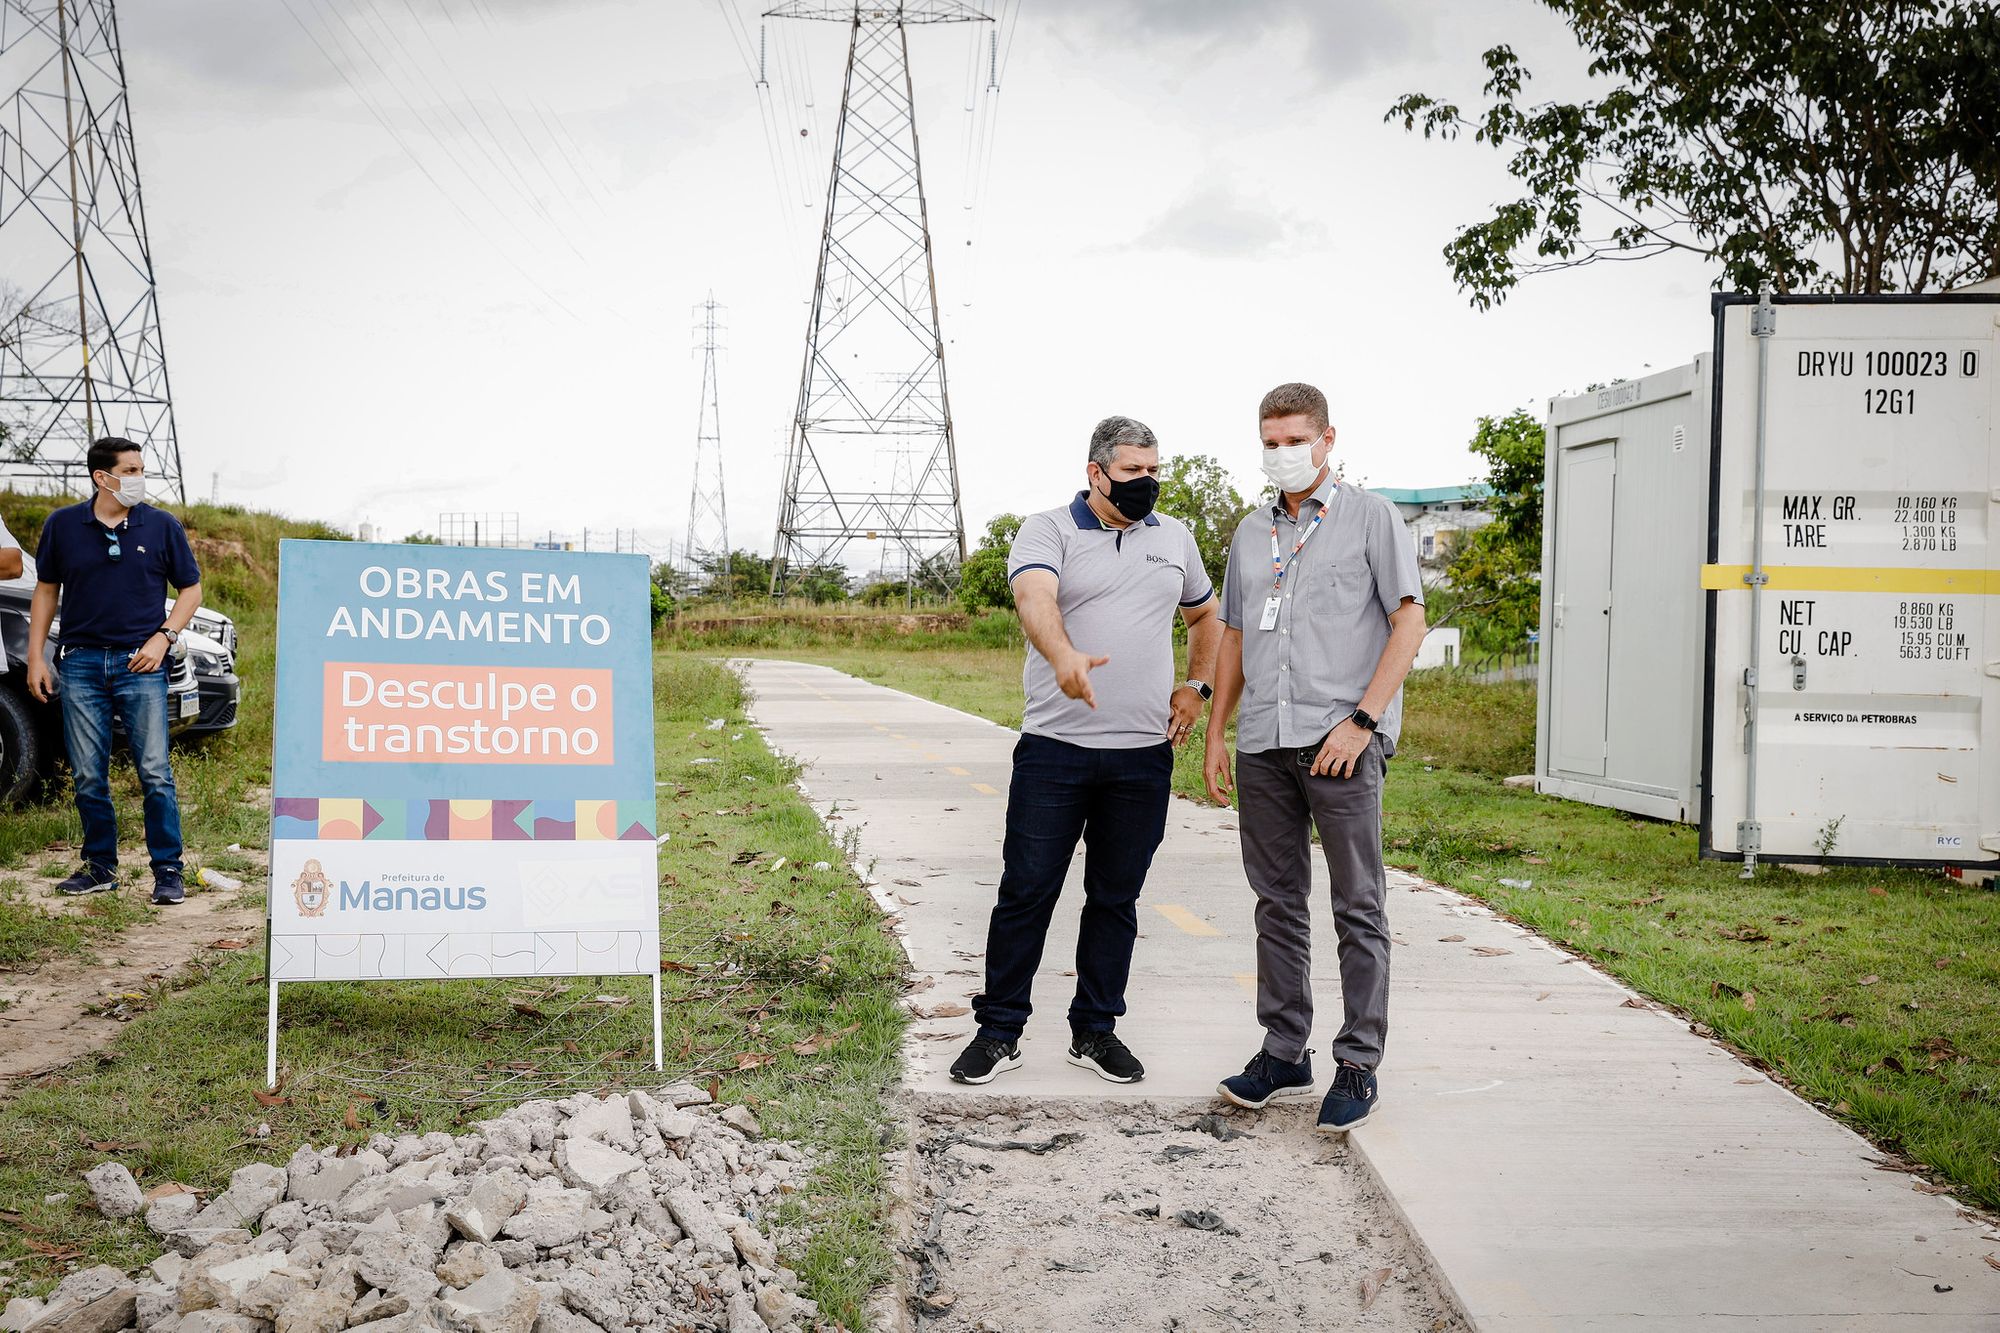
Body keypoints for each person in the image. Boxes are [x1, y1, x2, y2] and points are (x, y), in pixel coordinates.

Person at [951, 415, 1221, 1086]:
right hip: (1056, 751)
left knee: (1115, 897)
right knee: (1028, 889)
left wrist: (1196, 684)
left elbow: (1205, 616)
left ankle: (1095, 1030)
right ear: (1095, 473)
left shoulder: (1176, 537)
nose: (1146, 482)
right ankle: (999, 1029)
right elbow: (1033, 595)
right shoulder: (1049, 529)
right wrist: (1063, 651)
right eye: (1132, 471)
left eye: (1154, 469)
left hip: (1141, 757)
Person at [1203, 383, 1426, 1132]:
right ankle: (1284, 1049)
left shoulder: (1371, 517)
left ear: (1328, 439)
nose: (1281, 452)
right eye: (1269, 441)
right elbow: (1233, 637)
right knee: (1276, 901)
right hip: (1265, 740)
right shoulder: (1247, 531)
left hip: (1340, 742)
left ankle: (1358, 1061)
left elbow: (1409, 621)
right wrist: (1216, 734)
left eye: (1294, 439)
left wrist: (1362, 722)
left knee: (1357, 904)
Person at [25, 437, 203, 904]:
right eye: (130, 470)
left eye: (141, 469)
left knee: (154, 771)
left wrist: (162, 638)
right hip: (80, 662)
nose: (139, 478)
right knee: (87, 773)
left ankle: (168, 870)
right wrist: (37, 656)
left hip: (140, 663)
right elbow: (46, 590)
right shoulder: (63, 524)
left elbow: (191, 591)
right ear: (102, 477)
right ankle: (100, 867)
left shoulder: (162, 525)